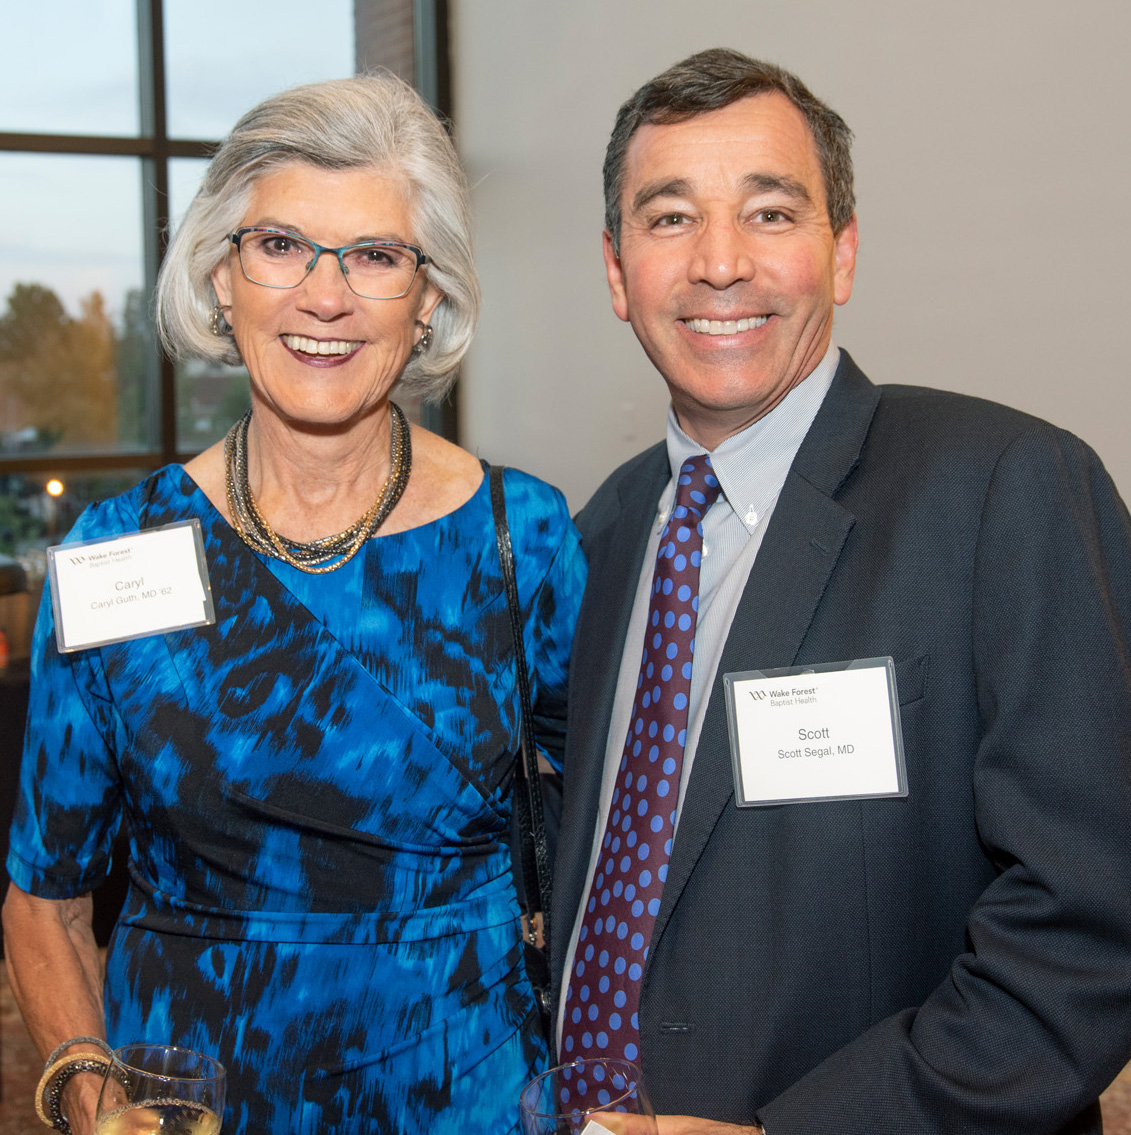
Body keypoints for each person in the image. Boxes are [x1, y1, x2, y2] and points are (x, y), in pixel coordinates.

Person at [552, 47, 1131, 1135]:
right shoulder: (596, 538)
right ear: (618, 270)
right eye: (670, 218)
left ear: (844, 251)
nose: (721, 264)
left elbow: (1094, 922)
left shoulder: (1009, 490)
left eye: (770, 214)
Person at [3, 73, 585, 1135]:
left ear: (428, 298)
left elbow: (606, 845)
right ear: (223, 276)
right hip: (196, 1102)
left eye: (375, 256)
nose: (326, 297)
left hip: (470, 1103)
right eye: (280, 246)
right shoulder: (113, 552)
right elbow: (42, 897)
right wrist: (88, 1097)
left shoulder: (526, 539)